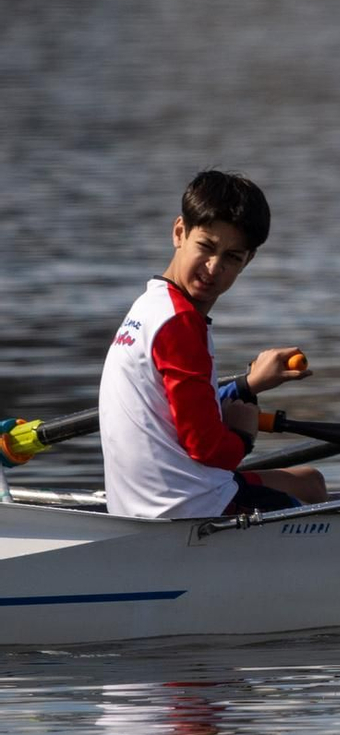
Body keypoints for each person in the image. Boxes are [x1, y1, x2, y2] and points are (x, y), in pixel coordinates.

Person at [99, 170, 326, 520]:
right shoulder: (181, 323)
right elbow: (207, 448)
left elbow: (177, 409)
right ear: (179, 232)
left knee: (310, 482)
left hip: (141, 506)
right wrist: (243, 435)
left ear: (247, 261)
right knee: (319, 513)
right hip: (190, 510)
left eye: (232, 257)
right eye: (206, 247)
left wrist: (247, 385)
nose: (213, 267)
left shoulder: (150, 306)